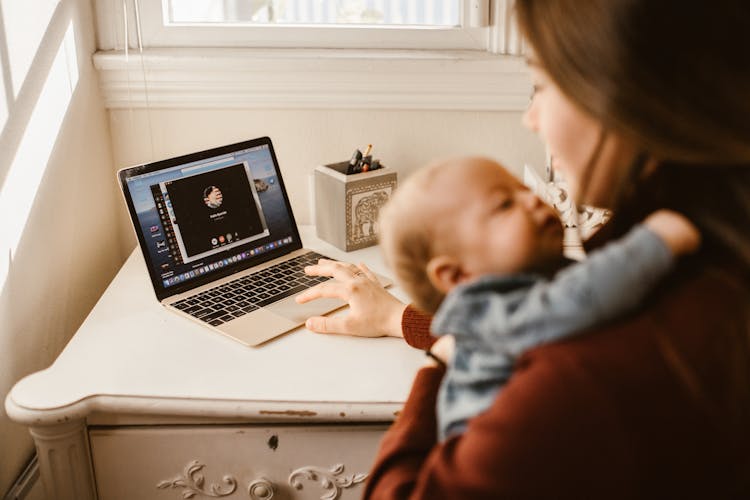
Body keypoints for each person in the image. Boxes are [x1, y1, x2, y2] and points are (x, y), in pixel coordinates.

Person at [295, 0, 750, 496]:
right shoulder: (696, 243)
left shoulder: (579, 380)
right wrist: (402, 321)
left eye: (544, 86)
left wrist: (438, 369)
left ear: (630, 98)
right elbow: (554, 306)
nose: (531, 119)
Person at [377, 156, 700, 440]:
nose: (532, 200)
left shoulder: (531, 285)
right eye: (505, 204)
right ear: (457, 276)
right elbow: (575, 301)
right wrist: (654, 243)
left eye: (525, 190)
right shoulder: (487, 310)